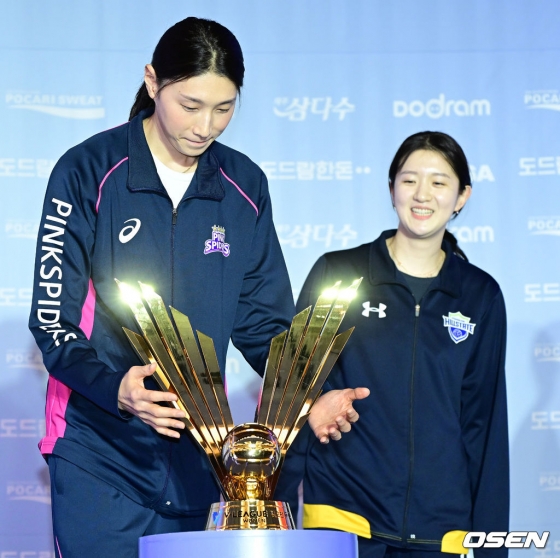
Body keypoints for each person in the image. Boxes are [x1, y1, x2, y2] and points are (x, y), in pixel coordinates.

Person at [29, 17, 367, 558]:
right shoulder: (87, 172)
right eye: (190, 104)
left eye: (224, 107)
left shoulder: (244, 186)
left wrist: (309, 397)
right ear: (151, 81)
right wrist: (116, 388)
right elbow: (52, 321)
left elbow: (264, 326)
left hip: (202, 463)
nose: (206, 125)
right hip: (98, 452)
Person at [277, 131, 509, 558]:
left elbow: (484, 425)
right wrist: (276, 515)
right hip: (343, 521)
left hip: (441, 532)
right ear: (391, 189)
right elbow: (291, 392)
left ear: (461, 197)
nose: (423, 194)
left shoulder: (481, 295)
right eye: (409, 180)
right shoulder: (339, 272)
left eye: (439, 182)